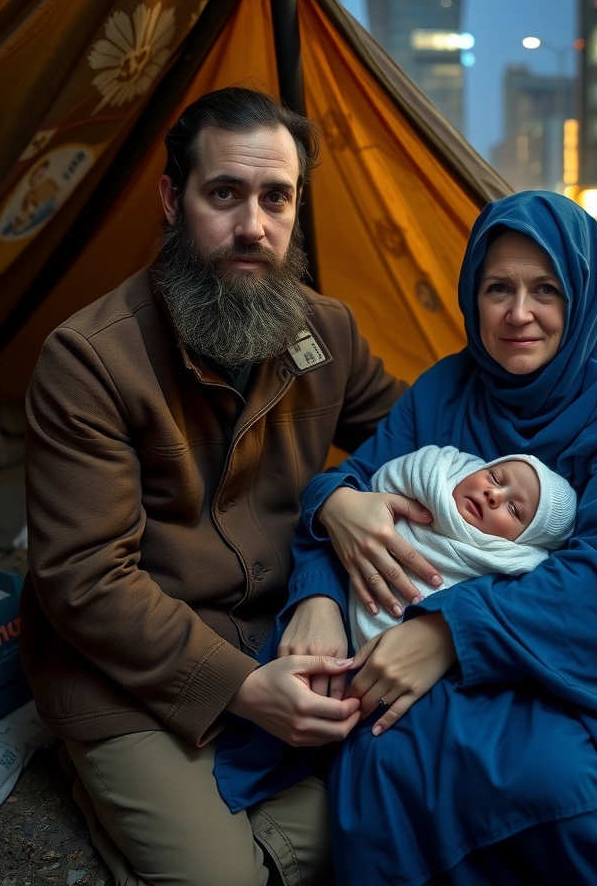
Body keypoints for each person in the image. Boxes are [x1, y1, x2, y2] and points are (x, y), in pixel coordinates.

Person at [220, 192, 597, 886]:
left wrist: (446, 634)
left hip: (587, 668)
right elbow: (349, 487)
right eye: (498, 288)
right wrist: (326, 563)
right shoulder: (448, 387)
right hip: (431, 667)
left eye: (545, 290)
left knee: (563, 793)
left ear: (585, 294)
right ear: (473, 293)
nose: (518, 313)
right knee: (389, 756)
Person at [20, 87, 412, 886]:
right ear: (173, 198)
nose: (252, 227)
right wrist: (245, 691)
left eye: (277, 198)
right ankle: (112, 786)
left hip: (287, 632)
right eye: (224, 194)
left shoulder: (324, 330)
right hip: (128, 668)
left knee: (424, 795)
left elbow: (414, 442)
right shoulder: (87, 359)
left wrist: (326, 560)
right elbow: (85, 581)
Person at [348, 444, 576, 650]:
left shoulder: (507, 563)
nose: (494, 494)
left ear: (522, 543)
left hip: (408, 657)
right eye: (495, 478)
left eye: (514, 509)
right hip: (343, 599)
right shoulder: (432, 473)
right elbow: (375, 487)